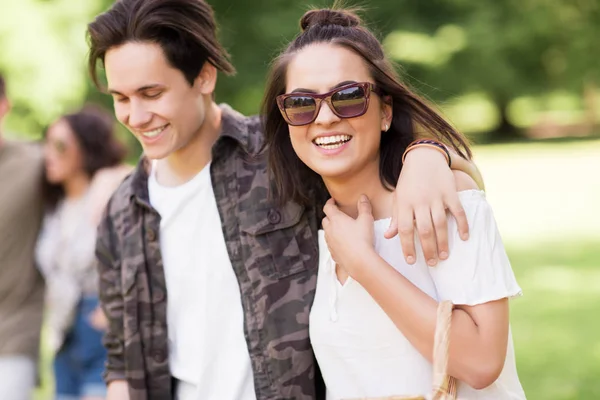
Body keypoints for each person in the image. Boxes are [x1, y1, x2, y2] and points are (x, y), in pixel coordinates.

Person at [86, 1, 483, 399]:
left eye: (151, 93)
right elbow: (122, 358)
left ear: (205, 76)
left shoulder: (282, 154)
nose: (136, 117)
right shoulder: (122, 211)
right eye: (121, 98)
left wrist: (429, 153)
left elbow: (378, 156)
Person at [262, 7, 526, 399]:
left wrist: (365, 264)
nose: (325, 118)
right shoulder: (321, 225)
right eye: (302, 104)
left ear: (385, 111)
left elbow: (482, 362)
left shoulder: (442, 198)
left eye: (348, 97)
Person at [36, 106, 131, 400]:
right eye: (47, 143)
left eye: (60, 145)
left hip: (100, 329)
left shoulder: (111, 190)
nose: (49, 153)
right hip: (62, 334)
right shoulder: (54, 204)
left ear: (86, 147)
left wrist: (110, 308)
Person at [0, 73, 46, 400]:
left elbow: (96, 167)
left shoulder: (37, 164)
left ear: (4, 106)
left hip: (13, 334)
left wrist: (106, 177)